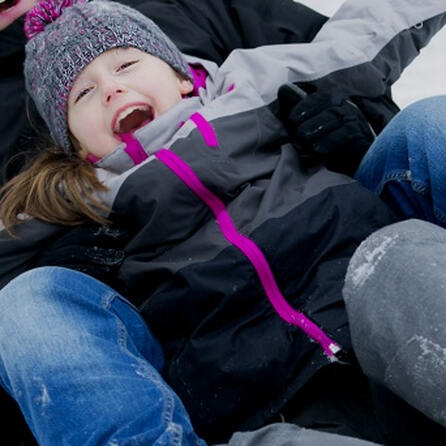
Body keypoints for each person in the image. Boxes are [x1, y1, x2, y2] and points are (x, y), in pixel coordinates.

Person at [0, 0, 445, 445]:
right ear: (76, 146)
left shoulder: (249, 86)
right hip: (256, 393)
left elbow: (356, 41)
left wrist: (353, 131)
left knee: (430, 136)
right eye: (83, 94)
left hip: (369, 293)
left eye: (127, 64)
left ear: (180, 73)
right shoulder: (70, 199)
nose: (111, 90)